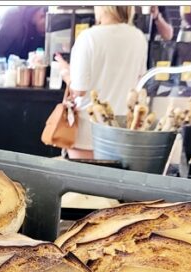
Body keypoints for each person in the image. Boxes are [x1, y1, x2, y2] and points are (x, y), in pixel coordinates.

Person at [56, 6, 147, 159]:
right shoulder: (138, 37)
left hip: (88, 130)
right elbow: (139, 80)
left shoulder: (89, 37)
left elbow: (79, 90)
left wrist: (65, 71)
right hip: (122, 130)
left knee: (83, 180)